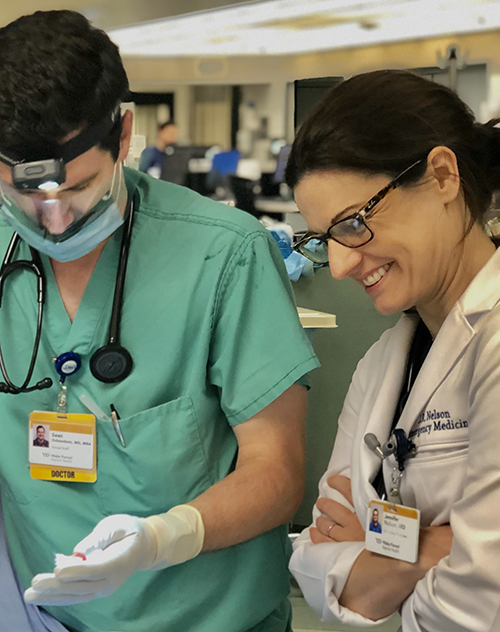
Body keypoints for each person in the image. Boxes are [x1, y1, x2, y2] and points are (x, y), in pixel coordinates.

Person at [0, 10, 319, 632]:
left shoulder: (224, 252)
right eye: (25, 195)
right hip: (43, 617)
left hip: (206, 617)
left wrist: (165, 537)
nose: (55, 219)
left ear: (123, 136)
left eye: (80, 188)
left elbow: (276, 473)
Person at [286, 69, 500, 631]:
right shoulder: (383, 363)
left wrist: (375, 551)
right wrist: (432, 547)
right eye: (320, 240)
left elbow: (483, 601)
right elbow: (314, 563)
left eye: (353, 223)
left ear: (443, 175)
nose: (338, 266)